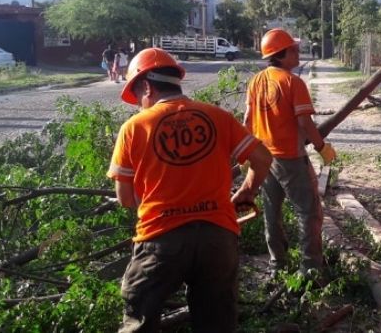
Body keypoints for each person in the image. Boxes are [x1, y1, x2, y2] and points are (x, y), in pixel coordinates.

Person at [107, 48, 272, 333]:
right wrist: (247, 190)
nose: (138, 105)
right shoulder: (217, 117)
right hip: (218, 237)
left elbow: (125, 199)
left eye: (137, 96)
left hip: (160, 239)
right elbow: (263, 159)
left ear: (146, 85)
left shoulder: (134, 128)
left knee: (139, 318)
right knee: (216, 322)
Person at [244, 28, 336, 280]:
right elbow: (305, 123)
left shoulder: (256, 81)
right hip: (290, 159)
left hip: (264, 159)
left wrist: (247, 154)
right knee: (308, 212)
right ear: (280, 55)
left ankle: (277, 265)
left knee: (271, 213)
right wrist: (322, 148)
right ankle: (310, 269)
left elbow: (247, 120)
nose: (298, 53)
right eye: (293, 50)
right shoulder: (293, 82)